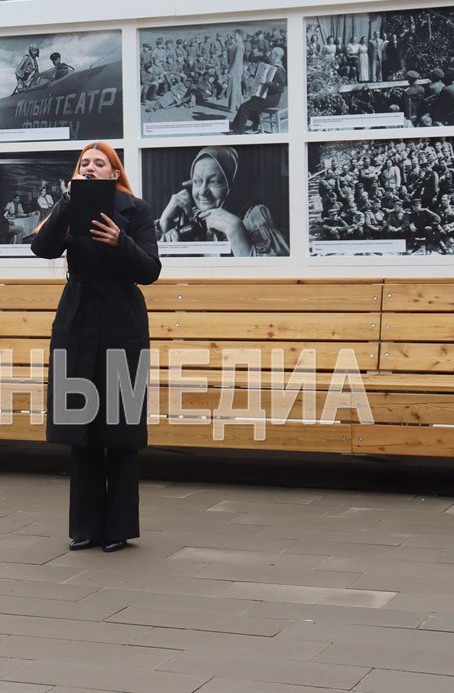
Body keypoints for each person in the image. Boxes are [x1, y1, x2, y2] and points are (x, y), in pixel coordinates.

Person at [31, 142, 161, 553]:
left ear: (113, 172)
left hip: (122, 322)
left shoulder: (135, 210)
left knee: (120, 426)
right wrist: (66, 204)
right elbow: (43, 247)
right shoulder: (67, 204)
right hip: (77, 320)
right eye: (84, 162)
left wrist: (119, 240)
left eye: (98, 163)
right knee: (81, 427)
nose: (89, 168)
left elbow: (150, 271)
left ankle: (119, 528)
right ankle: (85, 527)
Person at [157, 146, 290, 257]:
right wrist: (164, 223)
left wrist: (235, 231)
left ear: (234, 185)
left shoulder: (254, 217)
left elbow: (275, 277)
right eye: (197, 181)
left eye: (214, 182)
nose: (202, 191)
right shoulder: (188, 217)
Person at [230, 48, 285, 134]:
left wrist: (266, 82)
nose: (268, 56)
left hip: (271, 99)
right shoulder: (275, 67)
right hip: (269, 97)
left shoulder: (279, 70)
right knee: (251, 102)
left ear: (276, 56)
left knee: (244, 107)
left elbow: (281, 88)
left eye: (271, 54)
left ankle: (238, 131)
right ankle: (248, 124)